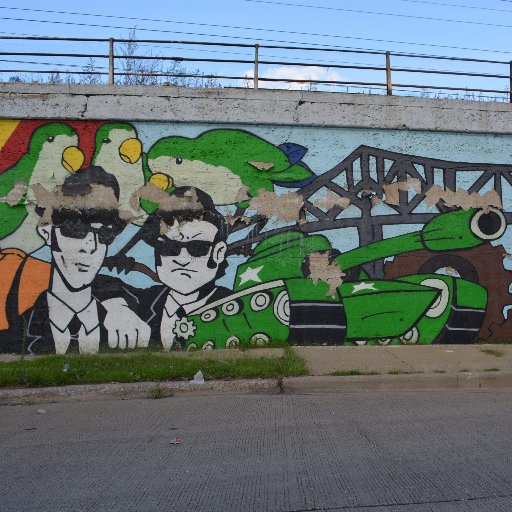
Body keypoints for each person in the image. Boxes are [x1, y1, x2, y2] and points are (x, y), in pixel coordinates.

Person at [0, 166, 150, 354]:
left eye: (104, 233)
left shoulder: (132, 304)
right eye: (76, 229)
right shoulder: (14, 333)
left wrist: (119, 303)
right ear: (47, 232)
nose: (90, 246)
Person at [136, 186, 231, 349]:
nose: (182, 259)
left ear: (218, 252)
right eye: (170, 247)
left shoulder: (233, 306)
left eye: (197, 248)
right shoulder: (140, 303)